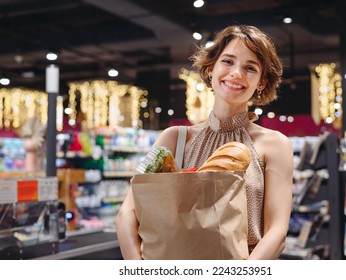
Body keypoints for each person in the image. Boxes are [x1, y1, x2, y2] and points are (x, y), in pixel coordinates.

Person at [115, 25, 293, 260]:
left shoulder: (274, 145)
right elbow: (127, 214)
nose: (236, 73)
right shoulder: (173, 139)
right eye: (228, 61)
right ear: (211, 69)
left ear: (261, 82)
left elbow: (276, 232)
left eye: (250, 68)